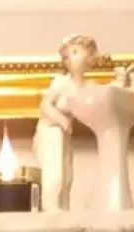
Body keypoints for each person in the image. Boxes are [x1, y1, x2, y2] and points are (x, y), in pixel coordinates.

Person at [34, 33, 99, 210]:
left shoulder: (88, 86)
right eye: (70, 53)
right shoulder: (61, 82)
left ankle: (62, 212)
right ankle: (51, 212)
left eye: (77, 52)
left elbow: (103, 100)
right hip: (50, 131)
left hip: (64, 134)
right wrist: (62, 120)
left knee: (68, 176)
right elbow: (45, 105)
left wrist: (124, 81)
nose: (71, 57)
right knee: (55, 176)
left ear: (89, 57)